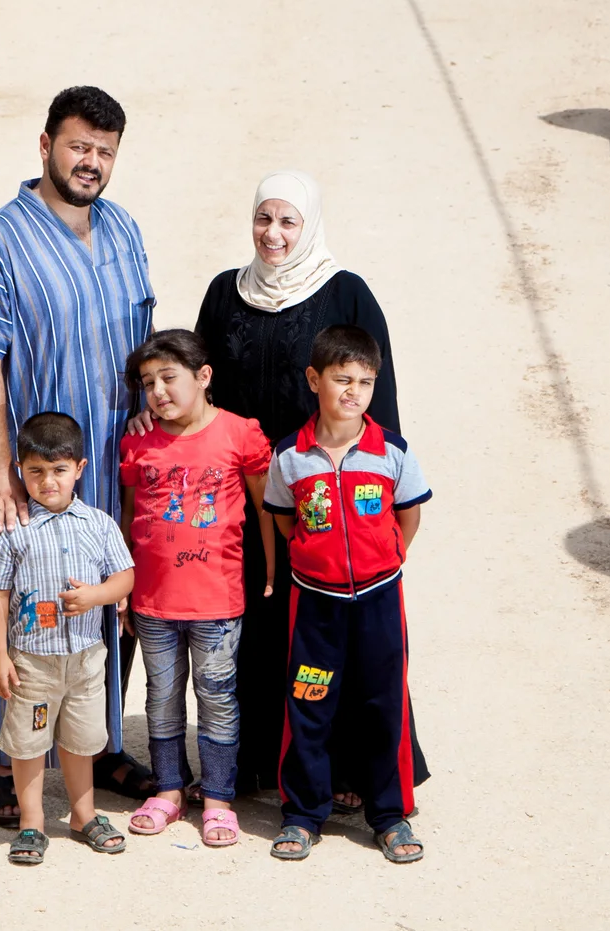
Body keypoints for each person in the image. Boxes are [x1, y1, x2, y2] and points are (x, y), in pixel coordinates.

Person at [0, 85, 156, 831]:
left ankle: (92, 743)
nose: (90, 162)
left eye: (104, 151)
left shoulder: (124, 230)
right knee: (16, 599)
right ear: (45, 145)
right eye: (78, 146)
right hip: (32, 469)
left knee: (104, 599)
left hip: (109, 458)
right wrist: (0, 470)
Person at [191, 170, 414, 798]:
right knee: (255, 620)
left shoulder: (345, 293)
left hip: (327, 493)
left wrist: (382, 505)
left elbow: (379, 399)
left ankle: (347, 771)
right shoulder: (225, 292)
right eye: (264, 218)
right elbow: (201, 387)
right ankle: (258, 758)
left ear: (309, 224)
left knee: (335, 628)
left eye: (289, 221)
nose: (274, 234)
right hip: (244, 495)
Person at [263, 325, 429, 864]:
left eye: (365, 381)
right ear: (315, 380)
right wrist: (320, 559)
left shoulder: (392, 452)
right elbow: (286, 524)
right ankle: (303, 813)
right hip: (315, 606)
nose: (353, 391)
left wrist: (387, 557)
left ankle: (390, 815)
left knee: (383, 703)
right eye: (342, 379)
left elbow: (409, 515)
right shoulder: (290, 457)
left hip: (380, 602)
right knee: (309, 702)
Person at [116, 328, 274, 848]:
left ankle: (220, 797)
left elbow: (264, 509)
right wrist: (122, 587)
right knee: (161, 697)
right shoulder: (138, 440)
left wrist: (273, 571)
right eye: (147, 383)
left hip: (217, 603)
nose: (158, 391)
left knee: (218, 698)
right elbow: (128, 518)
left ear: (204, 377)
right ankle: (167, 790)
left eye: (169, 378)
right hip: (154, 603)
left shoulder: (240, 435)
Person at [0, 411, 136, 864]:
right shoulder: (13, 531)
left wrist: (96, 596)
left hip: (86, 659)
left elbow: (124, 577)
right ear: (20, 472)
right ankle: (32, 823)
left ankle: (83, 814)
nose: (49, 482)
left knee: (81, 739)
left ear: (79, 469)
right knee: (29, 743)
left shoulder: (99, 524)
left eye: (59, 470)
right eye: (36, 472)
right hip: (33, 662)